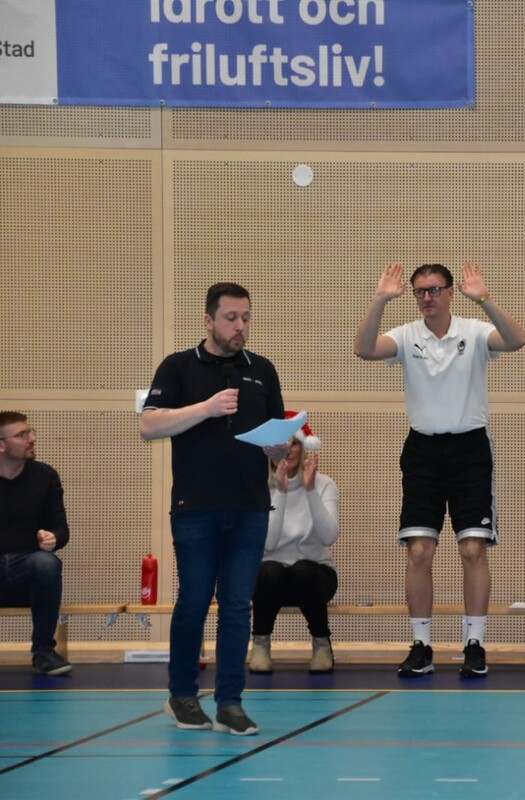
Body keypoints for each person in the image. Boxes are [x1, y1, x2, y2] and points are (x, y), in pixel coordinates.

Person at [354, 262, 525, 679]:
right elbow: (364, 349)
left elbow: (517, 340)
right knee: (419, 550)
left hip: (470, 450)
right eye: (420, 292)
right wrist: (380, 299)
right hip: (422, 451)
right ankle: (421, 645)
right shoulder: (406, 335)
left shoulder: (474, 331)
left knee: (473, 549)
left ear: (450, 292)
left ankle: (475, 644)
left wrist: (484, 299)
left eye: (434, 290)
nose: (427, 298)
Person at [140, 282, 287, 736]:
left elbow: (277, 439)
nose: (240, 326)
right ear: (209, 320)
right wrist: (205, 408)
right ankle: (182, 695)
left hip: (250, 507)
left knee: (238, 606)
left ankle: (230, 703)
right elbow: (149, 425)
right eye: (231, 318)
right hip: (196, 507)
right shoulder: (179, 366)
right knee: (194, 600)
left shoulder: (262, 370)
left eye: (246, 318)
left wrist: (280, 451)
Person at [249, 413, 339, 674]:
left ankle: (321, 643)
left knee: (302, 569)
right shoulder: (257, 488)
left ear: (304, 448)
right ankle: (260, 643)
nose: (287, 450)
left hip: (314, 578)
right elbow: (268, 544)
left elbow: (328, 537)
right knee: (268, 570)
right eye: (281, 444)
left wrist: (310, 491)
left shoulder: (324, 485)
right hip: (270, 581)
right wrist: (281, 492)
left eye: (294, 443)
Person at [0, 412, 72, 676]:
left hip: (26, 574)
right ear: (1, 445)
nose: (32, 438)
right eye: (22, 435)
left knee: (46, 563)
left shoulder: (45, 476)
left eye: (29, 432)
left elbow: (61, 529)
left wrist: (53, 538)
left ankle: (43, 652)